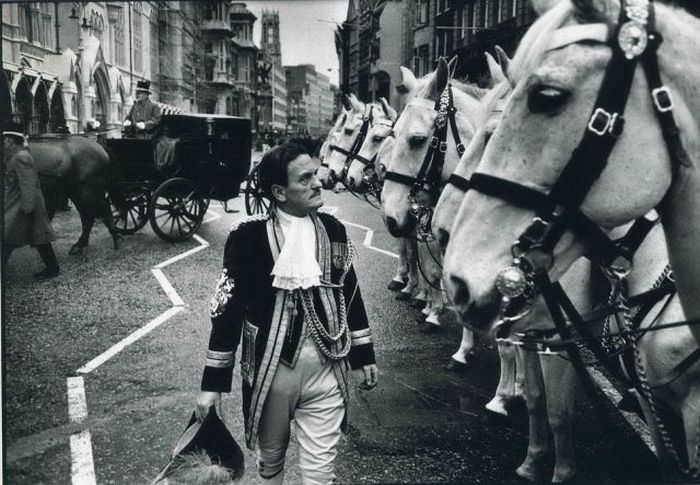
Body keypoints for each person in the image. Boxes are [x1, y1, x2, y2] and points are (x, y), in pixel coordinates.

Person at [196, 143, 378, 484]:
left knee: (321, 474)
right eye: (305, 178)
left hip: (328, 369)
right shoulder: (248, 237)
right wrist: (212, 384)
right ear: (279, 191)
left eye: (315, 174)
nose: (317, 183)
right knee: (271, 464)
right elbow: (227, 309)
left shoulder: (334, 230)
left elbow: (349, 292)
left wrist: (363, 352)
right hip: (270, 374)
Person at [3, 122, 60, 278]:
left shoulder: (20, 157)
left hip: (23, 203)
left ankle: (53, 269)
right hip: (21, 202)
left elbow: (27, 183)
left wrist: (28, 206)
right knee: (39, 237)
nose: (3, 142)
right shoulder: (17, 155)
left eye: (5, 139)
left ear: (12, 141)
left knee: (8, 237)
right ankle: (53, 268)